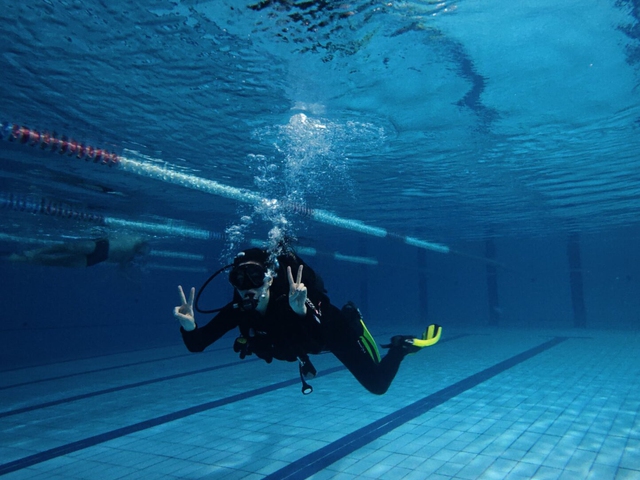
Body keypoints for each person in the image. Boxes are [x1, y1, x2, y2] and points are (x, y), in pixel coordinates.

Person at [174, 247, 441, 395]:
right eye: (239, 280)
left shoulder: (296, 296)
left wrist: (300, 310)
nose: (247, 287)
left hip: (333, 332)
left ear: (269, 278)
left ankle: (398, 347)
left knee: (378, 385)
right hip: (298, 345)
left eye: (254, 277)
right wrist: (189, 327)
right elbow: (197, 344)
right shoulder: (239, 309)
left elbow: (317, 338)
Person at [7, 234, 150, 268]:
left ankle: (23, 259)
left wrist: (131, 280)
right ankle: (36, 251)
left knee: (58, 261)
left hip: (96, 259)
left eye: (141, 253)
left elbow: (121, 269)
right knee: (68, 248)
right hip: (102, 246)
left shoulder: (130, 257)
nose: (140, 252)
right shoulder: (136, 238)